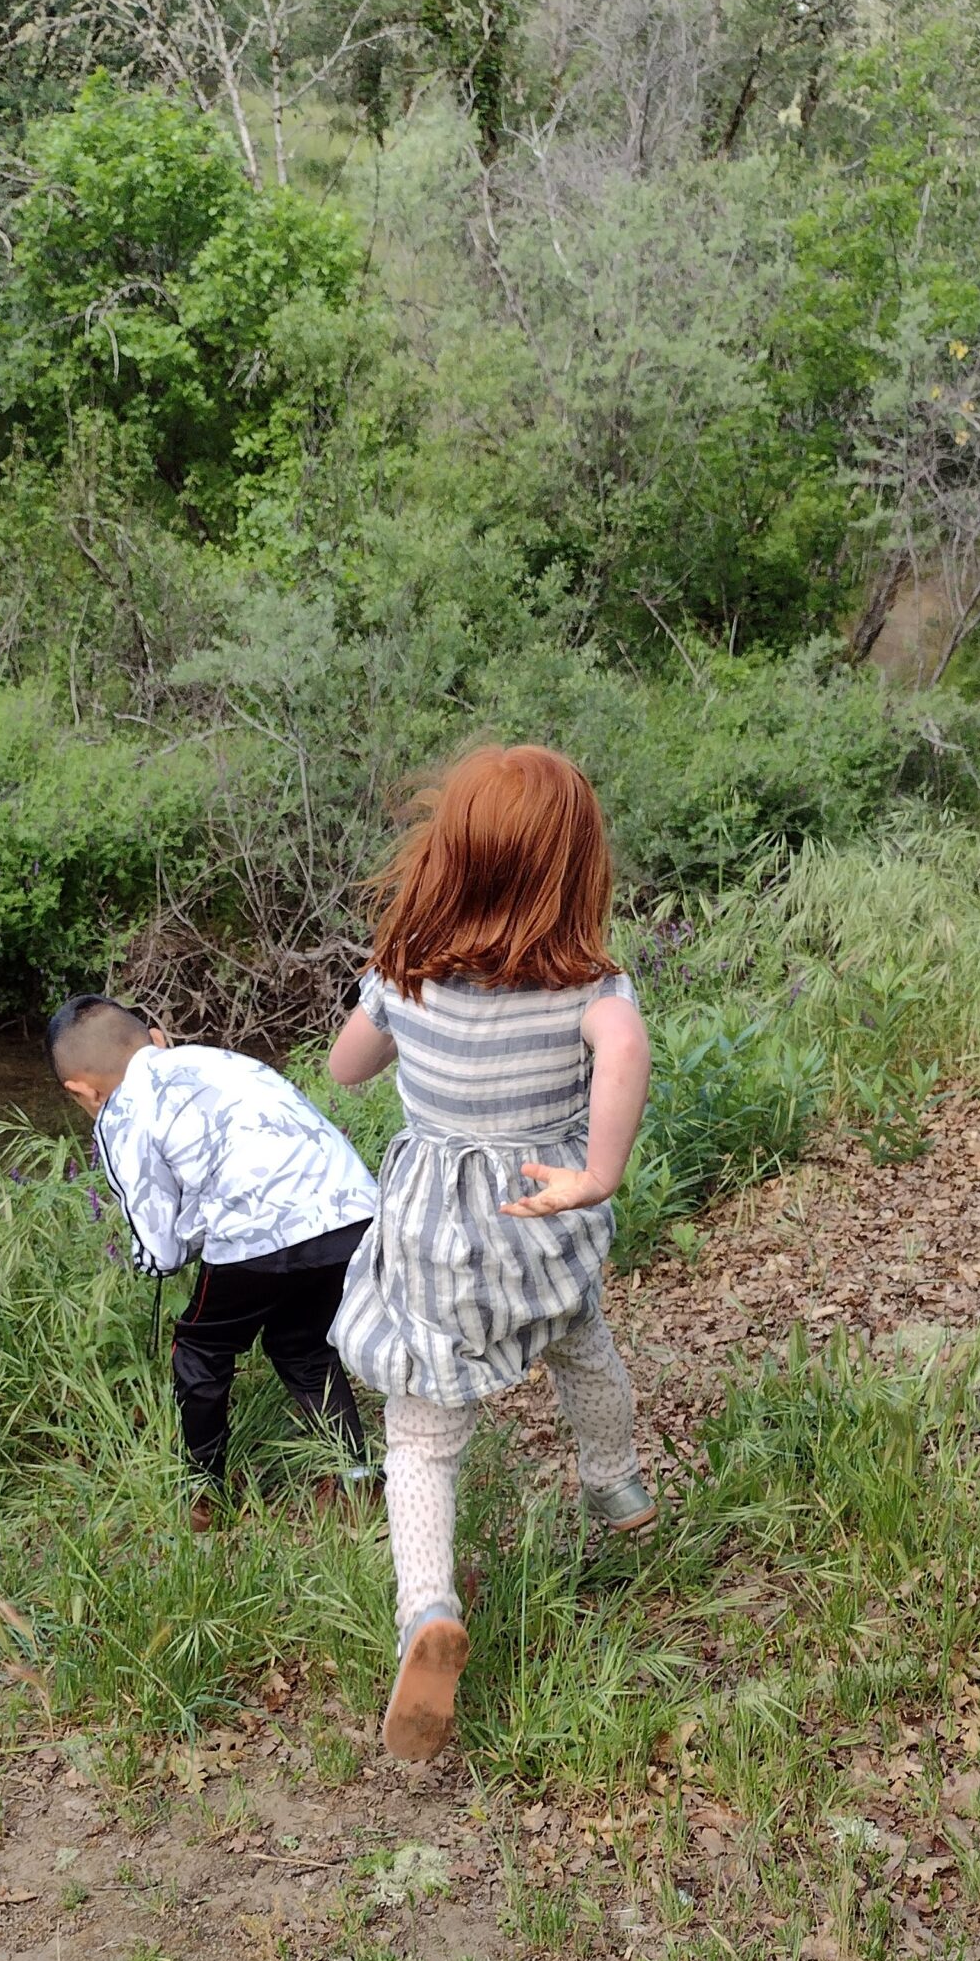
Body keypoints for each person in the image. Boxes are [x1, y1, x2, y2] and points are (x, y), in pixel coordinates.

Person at [326, 745, 655, 1763]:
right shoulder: (589, 988)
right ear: (575, 867)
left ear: (448, 854)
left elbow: (343, 1070)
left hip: (431, 1245)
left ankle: (426, 1606)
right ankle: (618, 1491)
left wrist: (385, 1008)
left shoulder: (404, 974)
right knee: (583, 1346)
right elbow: (627, 1052)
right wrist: (596, 1174)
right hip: (535, 1228)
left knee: (422, 1438)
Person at [48, 994, 379, 1526]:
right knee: (301, 1343)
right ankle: (358, 1478)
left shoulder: (119, 1110)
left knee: (200, 1347)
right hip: (352, 1212)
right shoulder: (223, 1059)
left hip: (257, 1234)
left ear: (82, 1091)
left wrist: (160, 1258)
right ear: (155, 1038)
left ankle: (204, 1497)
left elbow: (161, 1248)